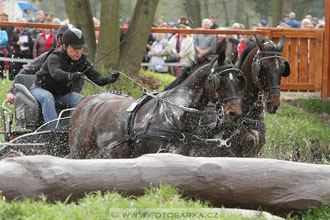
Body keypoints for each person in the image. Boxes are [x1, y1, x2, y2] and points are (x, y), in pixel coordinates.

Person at [29, 28, 120, 130]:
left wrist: (109, 79)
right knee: (47, 97)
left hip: (60, 95)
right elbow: (56, 73)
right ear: (64, 46)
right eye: (75, 48)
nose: (78, 52)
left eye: (80, 48)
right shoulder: (55, 56)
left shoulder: (82, 60)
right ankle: (53, 131)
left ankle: (70, 129)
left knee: (78, 98)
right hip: (40, 90)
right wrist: (71, 76)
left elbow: (97, 78)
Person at [6, 24, 80, 104]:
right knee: (47, 97)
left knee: (79, 100)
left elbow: (79, 82)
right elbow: (25, 71)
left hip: (64, 96)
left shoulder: (78, 60)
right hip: (44, 95)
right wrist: (11, 91)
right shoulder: (48, 56)